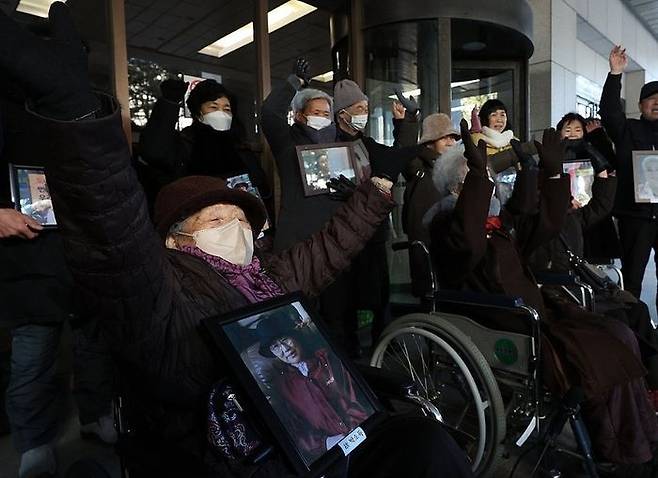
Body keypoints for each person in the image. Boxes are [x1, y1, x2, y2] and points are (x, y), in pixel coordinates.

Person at [0, 5, 475, 477]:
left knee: (425, 442)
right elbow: (113, 236)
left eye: (244, 219)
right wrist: (77, 115)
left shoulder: (265, 273)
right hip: (249, 454)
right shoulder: (163, 297)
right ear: (173, 239)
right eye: (218, 218)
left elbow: (330, 246)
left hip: (325, 432)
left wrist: (375, 193)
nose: (239, 229)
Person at [429, 119, 658, 468]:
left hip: (539, 313)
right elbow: (469, 245)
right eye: (478, 182)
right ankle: (620, 450)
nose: (490, 188)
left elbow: (545, 224)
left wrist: (549, 174)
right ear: (456, 190)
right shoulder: (447, 226)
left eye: (489, 180)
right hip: (505, 321)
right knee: (598, 359)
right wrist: (478, 178)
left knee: (620, 334)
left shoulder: (496, 222)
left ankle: (640, 436)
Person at [0, 87, 116, 478]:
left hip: (83, 259)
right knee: (33, 360)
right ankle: (33, 444)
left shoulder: (80, 113)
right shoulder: (9, 109)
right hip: (28, 261)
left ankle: (95, 415)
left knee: (94, 348)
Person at [138, 77, 270, 213]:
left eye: (227, 109)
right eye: (214, 107)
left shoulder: (241, 149)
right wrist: (169, 103)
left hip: (241, 224)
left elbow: (261, 188)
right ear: (198, 113)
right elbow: (153, 152)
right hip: (197, 224)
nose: (222, 113)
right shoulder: (185, 145)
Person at [256, 311, 370, 464]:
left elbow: (356, 393)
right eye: (276, 346)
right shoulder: (282, 386)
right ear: (273, 353)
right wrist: (326, 442)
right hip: (333, 451)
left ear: (294, 336)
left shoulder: (327, 359)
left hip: (364, 430)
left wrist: (358, 428)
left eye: (285, 340)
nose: (284, 349)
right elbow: (295, 429)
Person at [600, 45, 658, 308]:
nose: (657, 103)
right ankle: (635, 337)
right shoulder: (628, 130)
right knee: (632, 279)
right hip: (635, 216)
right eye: (651, 99)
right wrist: (615, 74)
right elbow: (610, 113)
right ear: (640, 105)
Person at [400, 112, 460, 299]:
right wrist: (409, 120)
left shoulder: (456, 166)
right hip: (425, 242)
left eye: (452, 137)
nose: (450, 142)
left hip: (450, 239)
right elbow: (406, 149)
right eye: (444, 138)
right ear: (429, 142)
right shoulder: (418, 165)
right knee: (429, 293)